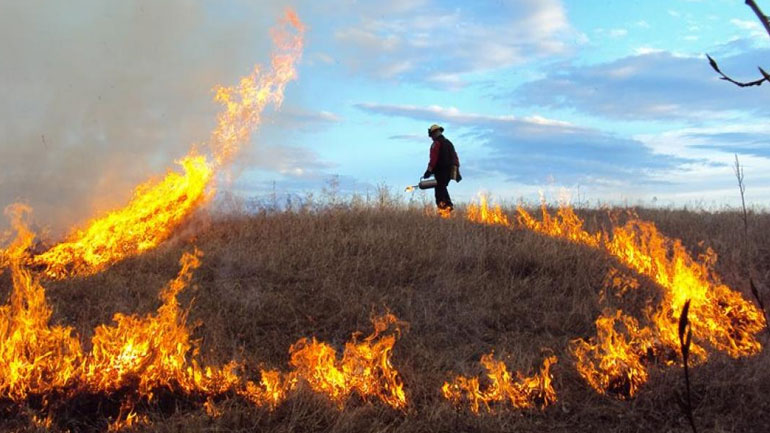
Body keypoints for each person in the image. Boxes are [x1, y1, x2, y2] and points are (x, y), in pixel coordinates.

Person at [422, 124, 461, 211]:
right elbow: (455, 157)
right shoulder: (449, 143)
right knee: (442, 187)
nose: (431, 138)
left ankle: (444, 208)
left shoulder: (436, 144)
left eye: (431, 135)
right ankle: (447, 206)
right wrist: (456, 169)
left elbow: (433, 159)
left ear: (434, 133)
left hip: (441, 170)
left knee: (439, 189)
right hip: (452, 169)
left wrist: (428, 171)